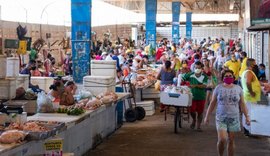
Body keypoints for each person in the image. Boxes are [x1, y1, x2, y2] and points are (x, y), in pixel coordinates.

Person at [204, 69, 250, 156]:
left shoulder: (238, 89)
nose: (228, 78)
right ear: (222, 78)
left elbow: (242, 104)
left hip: (234, 118)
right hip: (221, 117)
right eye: (226, 76)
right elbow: (212, 103)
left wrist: (247, 116)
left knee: (231, 140)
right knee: (222, 139)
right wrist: (207, 116)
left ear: (233, 77)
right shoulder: (218, 88)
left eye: (230, 76)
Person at [182, 61, 208, 131]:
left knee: (200, 112)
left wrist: (195, 85)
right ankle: (194, 120)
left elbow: (204, 85)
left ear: (201, 68)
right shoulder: (190, 74)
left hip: (201, 96)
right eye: (196, 67)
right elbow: (182, 78)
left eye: (199, 68)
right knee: (191, 111)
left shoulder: (204, 76)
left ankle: (198, 126)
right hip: (192, 96)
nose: (197, 69)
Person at [241, 58, 261, 136]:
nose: (256, 65)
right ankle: (248, 130)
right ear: (251, 64)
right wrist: (252, 92)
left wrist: (261, 84)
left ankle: (247, 129)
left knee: (247, 112)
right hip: (250, 97)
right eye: (255, 63)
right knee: (249, 113)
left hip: (248, 96)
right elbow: (248, 82)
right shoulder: (249, 72)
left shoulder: (246, 72)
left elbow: (252, 82)